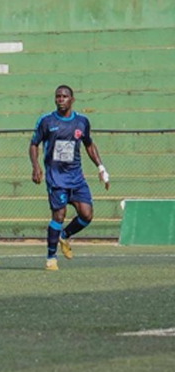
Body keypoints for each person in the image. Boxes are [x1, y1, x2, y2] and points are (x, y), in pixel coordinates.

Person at [29, 86, 108, 270]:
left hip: (76, 177)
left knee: (87, 215)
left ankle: (64, 235)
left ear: (72, 99)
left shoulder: (81, 122)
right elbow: (34, 144)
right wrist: (35, 166)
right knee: (59, 215)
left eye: (64, 96)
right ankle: (50, 258)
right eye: (57, 96)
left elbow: (89, 144)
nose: (60, 99)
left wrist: (101, 167)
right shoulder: (47, 121)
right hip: (56, 177)